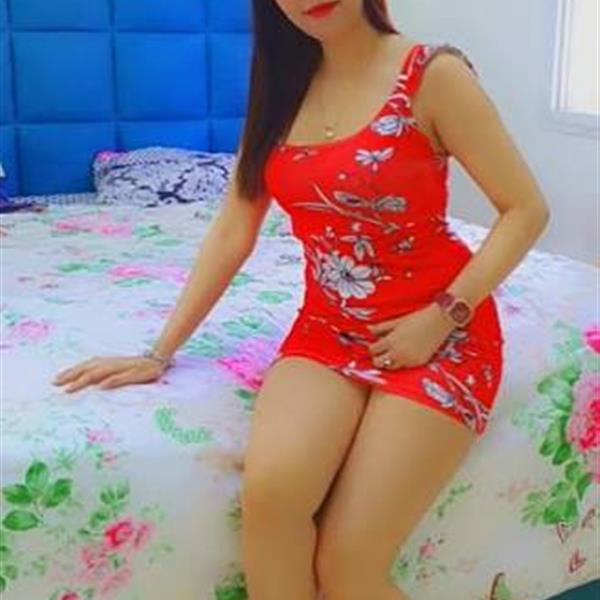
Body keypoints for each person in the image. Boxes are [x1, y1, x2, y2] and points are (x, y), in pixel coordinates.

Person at [52, 1, 551, 598]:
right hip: (326, 330)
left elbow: (525, 210)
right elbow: (233, 229)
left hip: (441, 331)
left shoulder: (432, 73)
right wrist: (159, 352)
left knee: (346, 565)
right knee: (272, 502)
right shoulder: (279, 92)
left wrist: (443, 316)